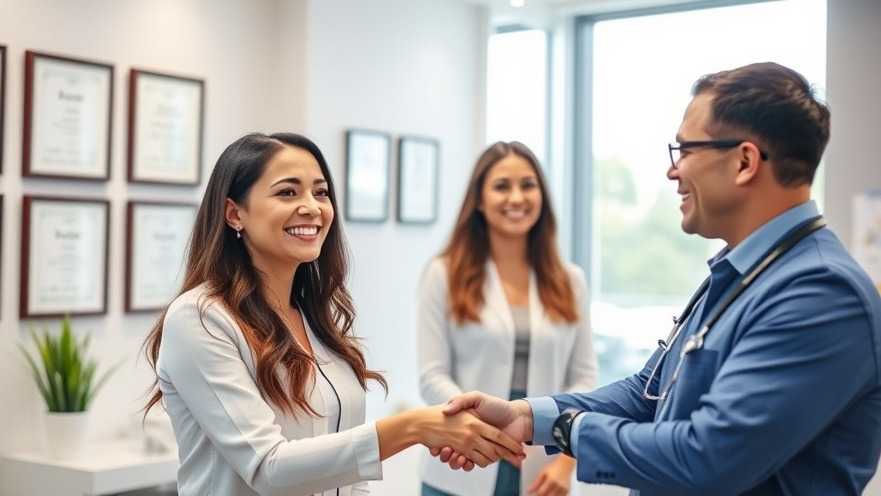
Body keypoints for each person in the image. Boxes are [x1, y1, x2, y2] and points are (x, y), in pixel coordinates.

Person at [437, 62, 881, 495]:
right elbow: (648, 394)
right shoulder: (738, 273)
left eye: (685, 151)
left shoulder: (821, 293)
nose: (673, 171)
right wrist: (526, 416)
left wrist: (568, 428)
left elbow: (708, 457)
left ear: (745, 162)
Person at [142, 132, 524, 496]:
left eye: (321, 192)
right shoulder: (200, 318)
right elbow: (267, 468)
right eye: (287, 192)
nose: (312, 207)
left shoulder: (314, 320)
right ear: (234, 213)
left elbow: (349, 474)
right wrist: (414, 427)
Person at [418, 141, 598, 496]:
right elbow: (432, 376)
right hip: (462, 461)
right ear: (480, 200)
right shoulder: (444, 274)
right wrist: (483, 428)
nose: (516, 198)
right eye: (502, 186)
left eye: (528, 185)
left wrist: (567, 460)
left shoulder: (570, 280)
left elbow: (585, 379)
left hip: (545, 467)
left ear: (542, 196)